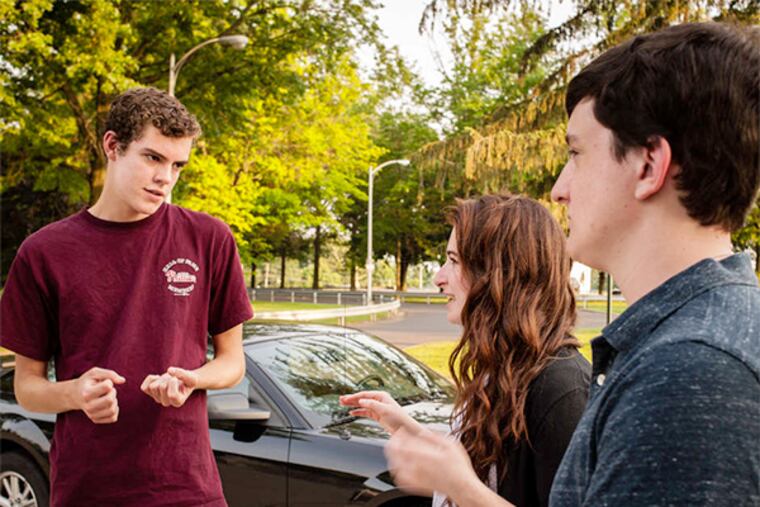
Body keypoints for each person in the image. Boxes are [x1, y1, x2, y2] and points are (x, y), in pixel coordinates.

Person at [382, 21, 760, 506]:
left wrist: (462, 487)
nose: (559, 189)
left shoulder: (690, 372)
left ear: (649, 166)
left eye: (576, 153)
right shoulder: (681, 344)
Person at [0, 87, 254, 506]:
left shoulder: (210, 239)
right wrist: (75, 393)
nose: (165, 178)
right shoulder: (43, 252)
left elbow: (232, 362)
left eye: (177, 165)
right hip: (88, 489)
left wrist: (194, 379)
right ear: (113, 146)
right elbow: (26, 386)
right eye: (153, 158)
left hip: (189, 489)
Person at [341, 194, 591, 507]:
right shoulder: (503, 367)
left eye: (454, 261)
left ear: (501, 274)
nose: (438, 278)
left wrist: (460, 488)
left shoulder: (562, 389)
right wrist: (407, 429)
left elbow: (471, 486)